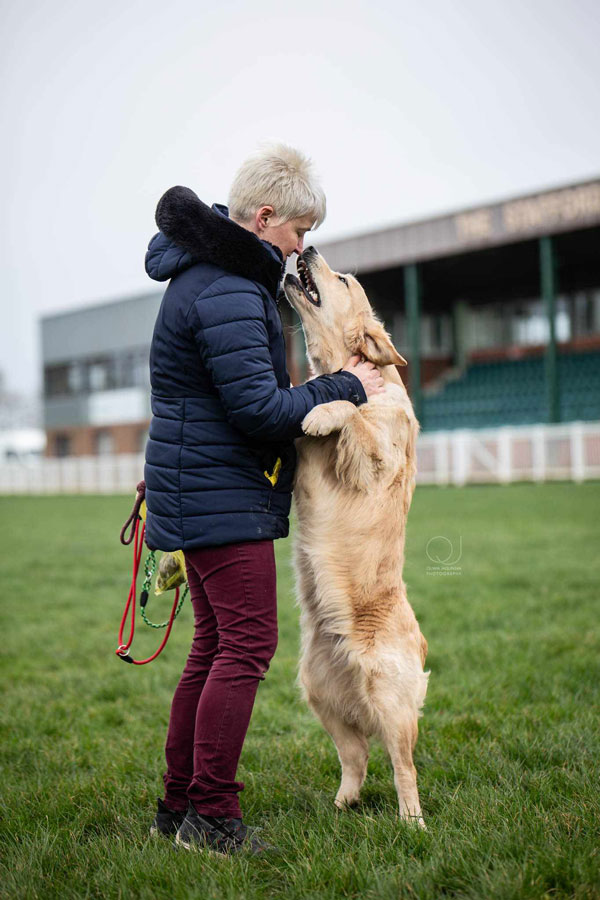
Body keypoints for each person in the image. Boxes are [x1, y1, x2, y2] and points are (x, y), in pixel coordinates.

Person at [143, 144, 384, 854]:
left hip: (202, 486)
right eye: (299, 232)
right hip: (222, 493)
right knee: (245, 645)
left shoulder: (207, 275)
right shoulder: (228, 285)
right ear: (266, 215)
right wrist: (344, 386)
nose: (300, 247)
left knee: (213, 647)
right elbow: (258, 409)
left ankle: (179, 806)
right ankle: (211, 819)